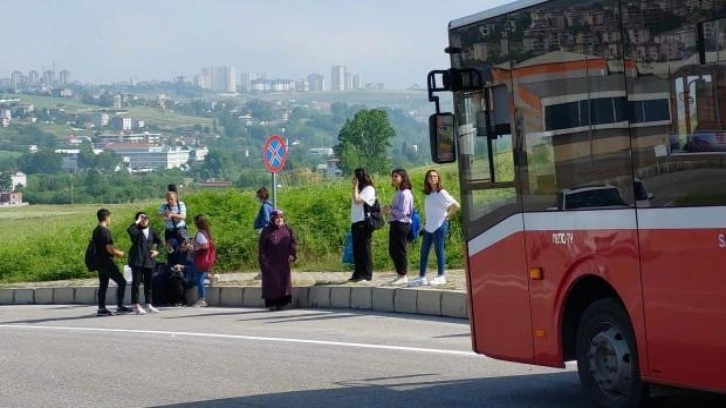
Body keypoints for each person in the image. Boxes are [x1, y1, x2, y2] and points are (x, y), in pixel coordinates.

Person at [409, 169, 460, 287]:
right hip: (429, 226)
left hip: (439, 225)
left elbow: (456, 206)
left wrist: (446, 216)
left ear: (438, 179)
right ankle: (421, 277)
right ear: (427, 179)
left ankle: (441, 276)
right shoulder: (429, 194)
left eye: (435, 176)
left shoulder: (441, 192)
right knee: (424, 252)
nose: (433, 178)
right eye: (430, 176)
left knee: (439, 250)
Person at [92, 208, 133, 316]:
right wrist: (119, 253)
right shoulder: (105, 231)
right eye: (110, 217)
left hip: (99, 262)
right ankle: (120, 306)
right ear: (107, 218)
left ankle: (101, 308)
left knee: (103, 285)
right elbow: (109, 249)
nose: (110, 220)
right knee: (122, 282)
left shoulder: (96, 230)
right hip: (107, 262)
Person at [258, 210, 297, 311]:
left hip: (284, 261)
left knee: (284, 282)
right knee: (272, 283)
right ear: (272, 219)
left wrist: (292, 254)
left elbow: (293, 242)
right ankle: (272, 304)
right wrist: (264, 262)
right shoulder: (266, 231)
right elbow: (262, 248)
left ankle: (282, 303)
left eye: (281, 218)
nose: (279, 220)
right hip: (271, 262)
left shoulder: (287, 229)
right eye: (277, 218)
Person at [127, 212, 163, 314]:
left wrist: (157, 251)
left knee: (149, 284)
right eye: (142, 218)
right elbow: (130, 230)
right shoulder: (136, 230)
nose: (144, 220)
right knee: (136, 283)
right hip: (137, 260)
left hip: (148, 260)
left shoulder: (152, 231)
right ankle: (136, 305)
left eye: (146, 218)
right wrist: (137, 221)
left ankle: (149, 304)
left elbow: (160, 242)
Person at [383, 168, 414, 285]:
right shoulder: (398, 192)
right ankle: (399, 273)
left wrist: (391, 210)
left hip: (402, 223)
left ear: (402, 178)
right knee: (393, 249)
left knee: (399, 249)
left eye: (396, 176)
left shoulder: (406, 193)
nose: (394, 178)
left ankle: (403, 274)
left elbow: (404, 212)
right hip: (395, 222)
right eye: (393, 176)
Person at [348, 168, 376, 282]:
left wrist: (355, 187)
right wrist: (355, 188)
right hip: (355, 222)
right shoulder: (359, 189)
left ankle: (366, 274)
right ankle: (358, 273)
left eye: (355, 177)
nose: (353, 179)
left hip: (363, 222)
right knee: (357, 250)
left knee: (365, 249)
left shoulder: (369, 189)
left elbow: (358, 201)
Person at [183, 214, 214, 307]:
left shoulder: (200, 233)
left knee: (198, 278)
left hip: (200, 259)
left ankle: (202, 299)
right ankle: (209, 278)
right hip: (198, 259)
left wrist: (194, 243)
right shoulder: (205, 232)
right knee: (191, 278)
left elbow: (205, 246)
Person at [252, 186, 273, 280]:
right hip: (269, 232)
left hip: (264, 231)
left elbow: (266, 219)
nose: (258, 199)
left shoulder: (264, 206)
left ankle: (263, 273)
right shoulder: (271, 205)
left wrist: (263, 230)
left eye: (258, 196)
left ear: (261, 196)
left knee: (263, 253)